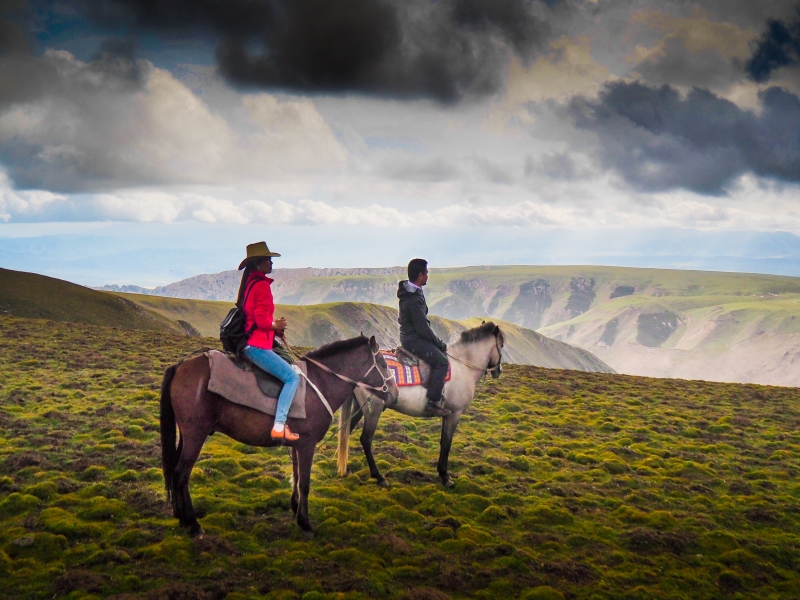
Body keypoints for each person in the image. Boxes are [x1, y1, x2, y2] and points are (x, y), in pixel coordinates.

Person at [238, 241, 301, 441]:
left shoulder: (249, 284)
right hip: (256, 346)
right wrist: (277, 325)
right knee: (292, 377)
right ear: (259, 263)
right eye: (268, 260)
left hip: (250, 341)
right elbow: (262, 322)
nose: (272, 263)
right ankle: (279, 425)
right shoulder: (262, 287)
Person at [397, 258, 451, 417]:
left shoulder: (411, 292)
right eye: (426, 273)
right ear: (420, 275)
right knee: (442, 362)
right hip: (413, 340)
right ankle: (432, 402)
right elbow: (422, 329)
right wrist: (440, 344)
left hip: (410, 337)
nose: (428, 276)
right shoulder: (413, 298)